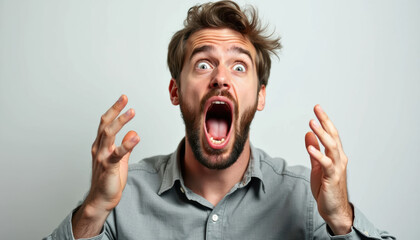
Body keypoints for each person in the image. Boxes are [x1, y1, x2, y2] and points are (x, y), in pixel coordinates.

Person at [46, 1, 395, 239]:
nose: (221, 78)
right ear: (176, 91)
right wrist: (93, 208)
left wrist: (340, 219)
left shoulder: (305, 198)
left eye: (239, 66)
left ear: (260, 95)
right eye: (203, 64)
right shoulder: (122, 198)